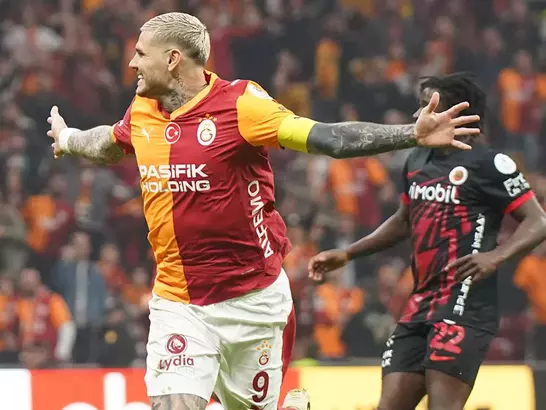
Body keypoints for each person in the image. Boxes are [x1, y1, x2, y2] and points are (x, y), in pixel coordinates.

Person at [46, 12, 480, 410]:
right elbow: (110, 143)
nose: (131, 63)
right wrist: (67, 139)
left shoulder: (242, 105)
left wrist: (411, 134)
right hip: (179, 301)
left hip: (253, 301)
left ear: (173, 59)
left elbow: (328, 138)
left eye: (141, 53)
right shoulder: (143, 111)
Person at [308, 73, 546, 410]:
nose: (416, 115)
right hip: (418, 307)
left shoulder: (490, 164)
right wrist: (347, 254)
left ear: (456, 112)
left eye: (426, 106)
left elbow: (538, 221)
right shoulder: (417, 160)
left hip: (463, 308)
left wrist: (496, 256)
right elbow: (403, 220)